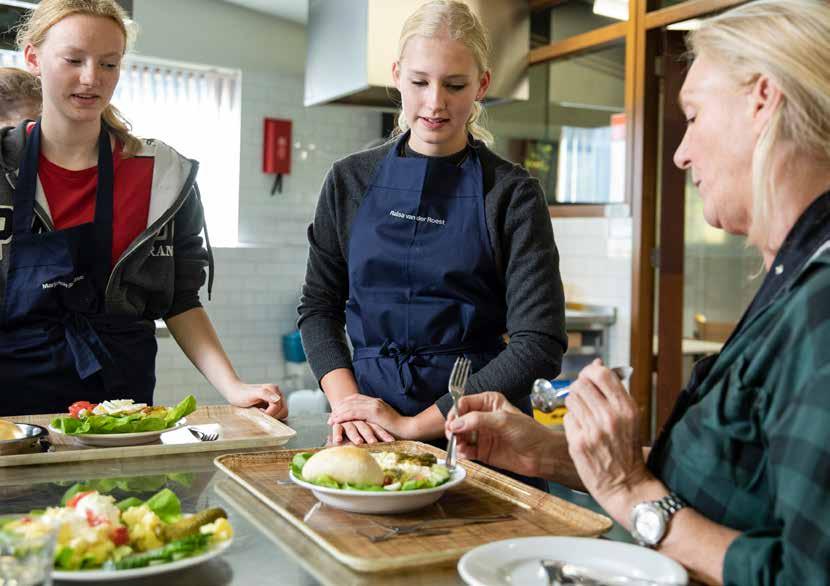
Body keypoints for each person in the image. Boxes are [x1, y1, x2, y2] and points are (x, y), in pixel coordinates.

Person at [445, 1, 830, 583]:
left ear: (762, 100)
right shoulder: (792, 281)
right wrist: (548, 453)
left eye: (694, 116)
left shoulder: (822, 306)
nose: (681, 153)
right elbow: (735, 486)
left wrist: (631, 493)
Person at [298, 1, 565, 454]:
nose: (435, 102)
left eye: (455, 85)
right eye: (420, 82)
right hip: (367, 431)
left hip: (480, 433)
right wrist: (350, 406)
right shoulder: (348, 181)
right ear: (397, 75)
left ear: (482, 84)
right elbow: (319, 307)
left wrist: (414, 424)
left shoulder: (512, 194)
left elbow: (538, 343)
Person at [0, 0, 287, 419]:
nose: (90, 78)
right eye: (73, 59)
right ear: (33, 58)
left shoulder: (162, 176)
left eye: (109, 64)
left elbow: (180, 299)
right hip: (9, 413)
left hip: (119, 405)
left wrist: (234, 386)